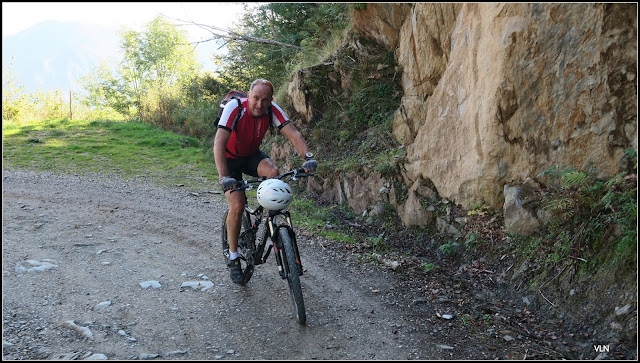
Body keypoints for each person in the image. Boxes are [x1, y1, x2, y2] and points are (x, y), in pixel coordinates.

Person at [213, 78, 317, 284]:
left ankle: (268, 222)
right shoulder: (235, 108)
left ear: (271, 100)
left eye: (265, 100)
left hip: (251, 155)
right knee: (238, 205)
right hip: (230, 159)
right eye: (255, 98)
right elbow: (219, 142)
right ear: (248, 96)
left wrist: (308, 157)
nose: (260, 104)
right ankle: (233, 257)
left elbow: (293, 133)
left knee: (274, 172)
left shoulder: (272, 109)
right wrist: (224, 177)